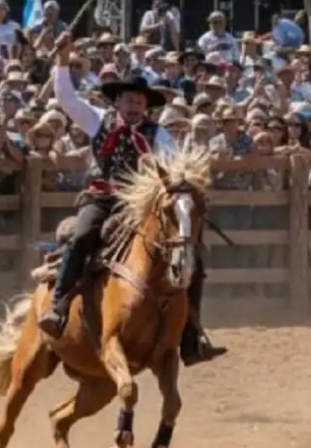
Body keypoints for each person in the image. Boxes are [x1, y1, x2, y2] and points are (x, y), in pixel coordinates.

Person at [40, 32, 227, 366]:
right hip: (102, 197)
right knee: (82, 234)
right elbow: (67, 100)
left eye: (139, 102)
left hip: (140, 206)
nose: (133, 106)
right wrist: (63, 62)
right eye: (128, 100)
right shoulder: (99, 121)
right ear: (118, 102)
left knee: (192, 254)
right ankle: (57, 307)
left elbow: (174, 169)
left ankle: (191, 333)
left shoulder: (160, 134)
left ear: (146, 105)